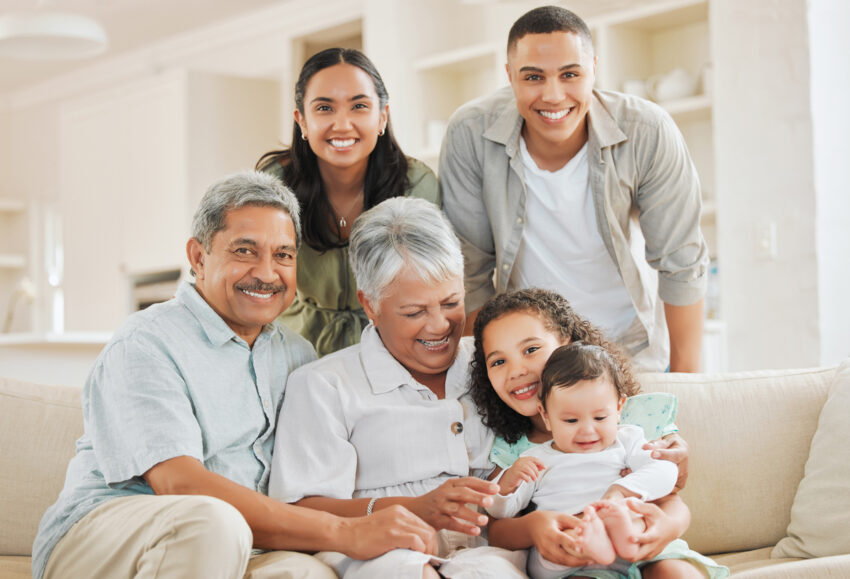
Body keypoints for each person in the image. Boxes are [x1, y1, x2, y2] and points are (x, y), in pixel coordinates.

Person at [31, 172, 438, 579]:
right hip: (103, 536)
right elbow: (180, 486)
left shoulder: (297, 355)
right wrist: (343, 532)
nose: (266, 272)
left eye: (284, 255)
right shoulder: (145, 343)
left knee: (308, 574)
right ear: (198, 257)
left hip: (243, 543)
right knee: (212, 521)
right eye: (245, 251)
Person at [440, 5, 709, 372]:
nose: (553, 95)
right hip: (529, 353)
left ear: (593, 70)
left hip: (629, 346)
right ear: (509, 76)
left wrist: (686, 384)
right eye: (533, 77)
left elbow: (681, 264)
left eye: (570, 74)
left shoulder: (646, 131)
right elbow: (470, 274)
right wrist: (480, 380)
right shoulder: (470, 133)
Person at [270, 197, 526, 579]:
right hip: (384, 555)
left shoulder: (496, 361)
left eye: (451, 302)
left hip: (489, 552)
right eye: (415, 312)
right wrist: (413, 507)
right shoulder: (324, 385)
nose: (440, 325)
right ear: (370, 305)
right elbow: (300, 510)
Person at [469, 288, 695, 571]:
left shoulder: (628, 424)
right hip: (577, 560)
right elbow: (496, 528)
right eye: (499, 361)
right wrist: (535, 524)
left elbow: (670, 493)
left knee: (674, 572)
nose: (516, 371)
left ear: (566, 344)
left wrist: (667, 527)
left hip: (644, 542)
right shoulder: (514, 452)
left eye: (531, 349)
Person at [487, 342, 728, 578]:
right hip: (576, 559)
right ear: (546, 416)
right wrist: (507, 484)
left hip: (639, 541)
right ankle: (593, 538)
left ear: (619, 408)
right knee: (574, 546)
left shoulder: (628, 440)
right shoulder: (535, 459)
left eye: (600, 417)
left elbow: (664, 472)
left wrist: (619, 492)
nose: (587, 431)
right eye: (571, 421)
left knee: (675, 572)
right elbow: (501, 510)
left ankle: (618, 535)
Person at [257, 47, 439, 357]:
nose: (342, 124)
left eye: (359, 106)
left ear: (382, 116)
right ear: (301, 120)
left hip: (391, 350)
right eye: (325, 108)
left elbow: (428, 287)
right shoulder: (275, 181)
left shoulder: (416, 183)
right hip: (292, 348)